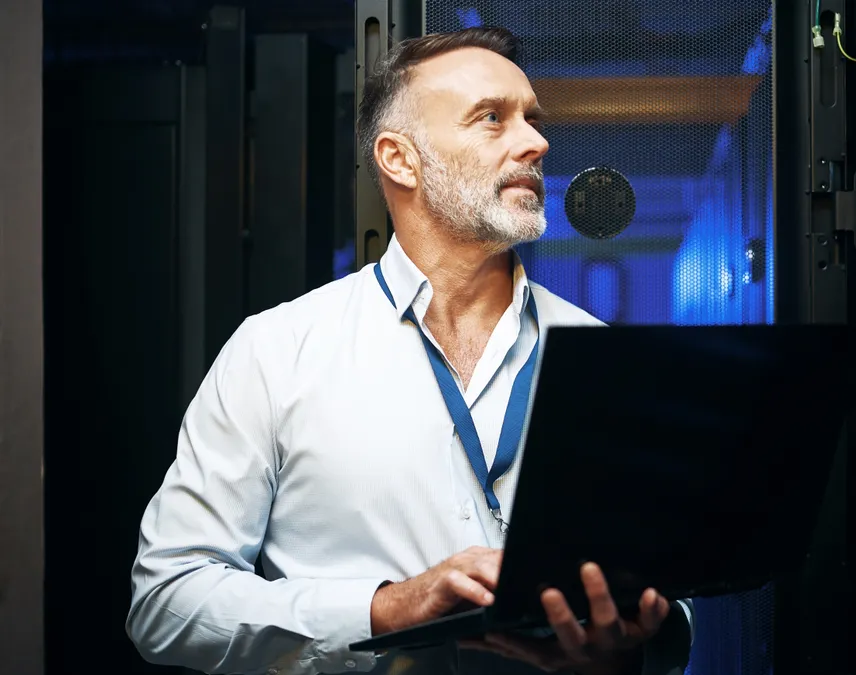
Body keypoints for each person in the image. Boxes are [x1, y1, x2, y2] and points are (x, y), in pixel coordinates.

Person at [125, 26, 694, 675]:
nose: (536, 141)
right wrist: (383, 609)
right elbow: (166, 602)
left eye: (532, 119)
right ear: (400, 159)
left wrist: (636, 640)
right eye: (492, 118)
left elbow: (664, 576)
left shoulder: (608, 361)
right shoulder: (276, 351)